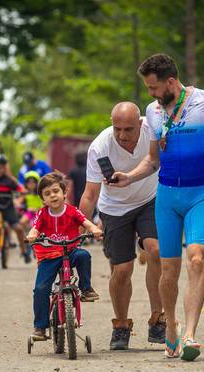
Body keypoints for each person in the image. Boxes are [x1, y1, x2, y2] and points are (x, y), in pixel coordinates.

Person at [110, 53, 204, 361]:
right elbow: (153, 159)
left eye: (153, 87)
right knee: (169, 270)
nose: (151, 93)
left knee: (197, 258)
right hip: (167, 198)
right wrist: (129, 177)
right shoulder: (152, 112)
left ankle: (190, 334)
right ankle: (171, 327)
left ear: (170, 82)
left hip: (200, 194)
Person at [79, 102, 165, 350]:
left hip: (150, 200)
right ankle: (121, 325)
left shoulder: (152, 130)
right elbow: (90, 194)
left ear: (140, 123)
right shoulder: (100, 147)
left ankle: (158, 318)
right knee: (123, 269)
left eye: (128, 129)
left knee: (156, 251)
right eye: (117, 128)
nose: (122, 135)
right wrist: (79, 226)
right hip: (114, 209)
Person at [26, 172, 103, 340]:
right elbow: (35, 227)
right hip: (49, 255)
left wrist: (94, 229)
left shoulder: (72, 211)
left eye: (56, 191)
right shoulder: (42, 213)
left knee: (84, 255)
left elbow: (85, 222)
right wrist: (32, 234)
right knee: (40, 289)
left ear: (64, 193)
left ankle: (86, 288)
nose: (52, 195)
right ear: (43, 200)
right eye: (47, 193)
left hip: (70, 251)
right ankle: (40, 327)